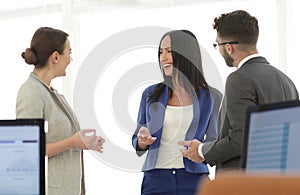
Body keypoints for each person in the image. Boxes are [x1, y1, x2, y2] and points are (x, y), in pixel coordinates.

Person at [179, 10, 299, 171]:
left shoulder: (239, 79)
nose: (219, 51)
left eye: (217, 45)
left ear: (229, 48)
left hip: (244, 182)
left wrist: (201, 150)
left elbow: (241, 138)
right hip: (280, 180)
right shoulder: (286, 80)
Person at [132, 30, 222, 195]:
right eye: (160, 52)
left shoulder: (212, 97)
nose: (163, 57)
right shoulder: (150, 94)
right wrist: (142, 140)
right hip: (155, 180)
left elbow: (215, 142)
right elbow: (137, 141)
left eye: (169, 51)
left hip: (195, 179)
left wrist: (201, 150)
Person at [16, 27, 105, 195]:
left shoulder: (53, 94)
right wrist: (72, 142)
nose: (70, 59)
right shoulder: (31, 91)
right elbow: (26, 152)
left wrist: (83, 143)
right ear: (55, 57)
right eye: (69, 53)